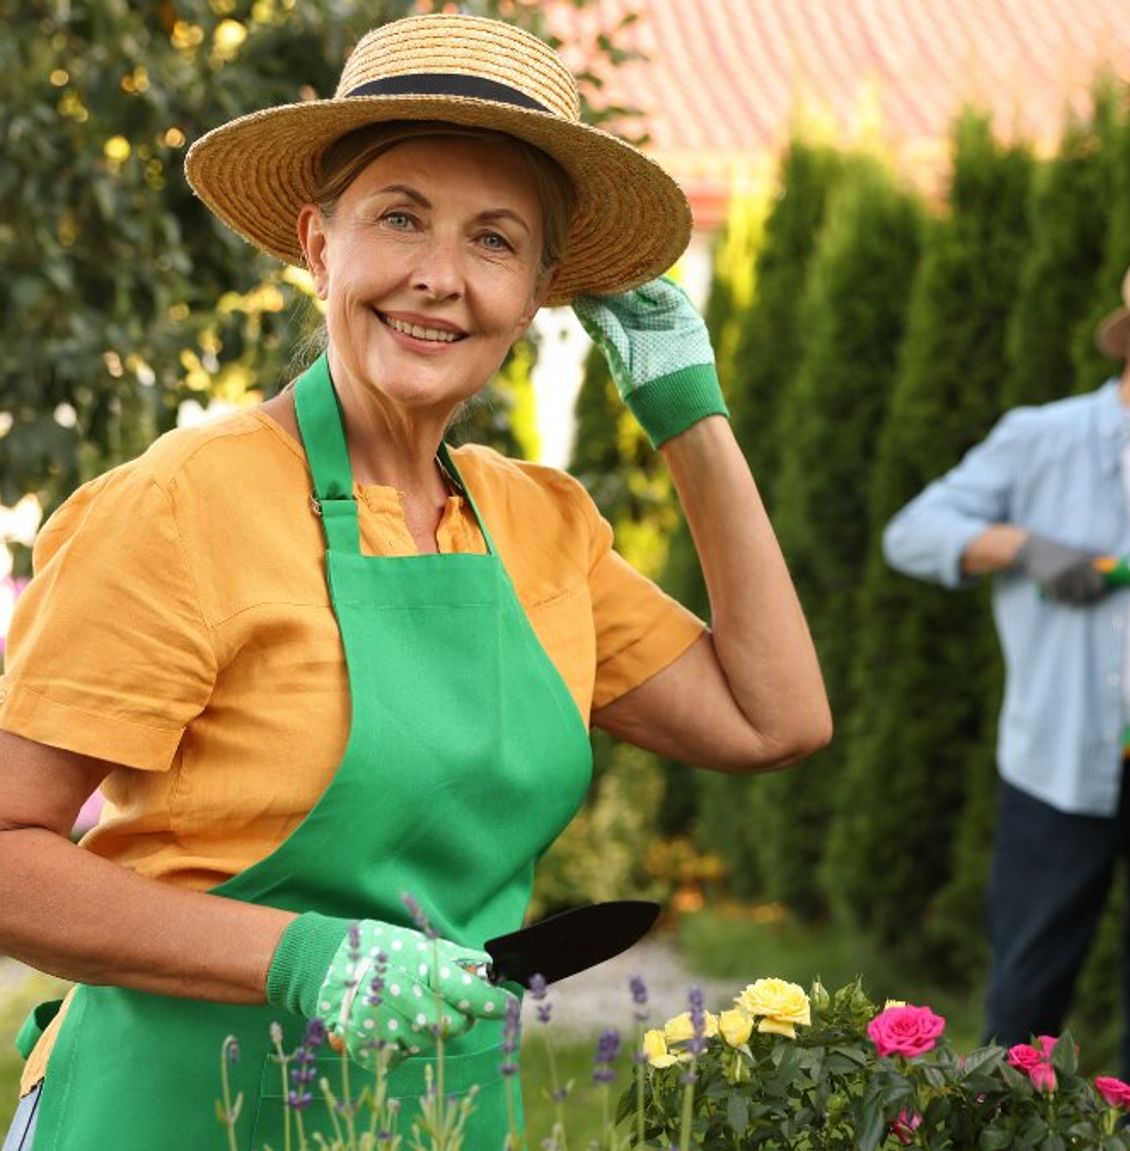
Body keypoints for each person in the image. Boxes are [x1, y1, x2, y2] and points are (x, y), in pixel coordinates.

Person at [0, 14, 830, 1150]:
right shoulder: (185, 502)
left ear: (540, 292)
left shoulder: (544, 526)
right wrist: (298, 955)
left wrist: (691, 419)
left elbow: (774, 715)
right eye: (399, 218)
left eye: (495, 241)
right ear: (317, 242)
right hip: (173, 1111)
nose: (439, 278)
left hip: (434, 1116)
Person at [881, 235, 1130, 1150]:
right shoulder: (1043, 438)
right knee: (1026, 1010)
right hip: (1064, 774)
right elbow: (915, 531)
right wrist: (1025, 548)